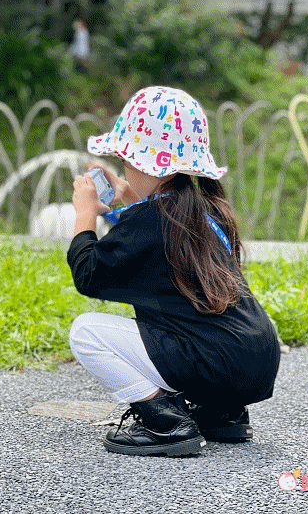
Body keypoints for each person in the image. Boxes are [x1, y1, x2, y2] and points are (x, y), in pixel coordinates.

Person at [67, 86, 280, 457]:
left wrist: (85, 216)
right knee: (188, 326)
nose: (125, 168)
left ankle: (165, 421)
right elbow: (150, 235)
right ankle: (222, 414)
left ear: (147, 163)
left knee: (85, 332)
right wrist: (130, 198)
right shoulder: (204, 208)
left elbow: (89, 273)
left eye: (127, 160)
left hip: (214, 362)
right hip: (255, 359)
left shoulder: (153, 223)